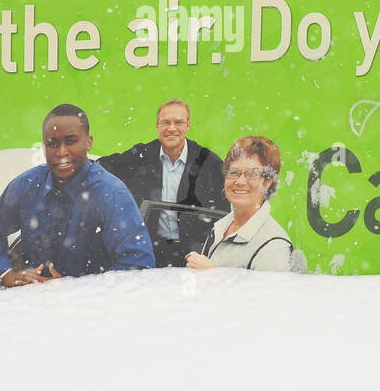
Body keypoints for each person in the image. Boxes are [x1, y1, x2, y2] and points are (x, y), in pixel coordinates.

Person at [0, 104, 154, 285]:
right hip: (34, 305)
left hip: (95, 307)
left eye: (70, 141)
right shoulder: (26, 186)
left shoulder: (112, 194)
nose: (62, 152)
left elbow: (138, 265)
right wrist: (8, 275)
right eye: (53, 144)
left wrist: (74, 288)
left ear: (88, 142)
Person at [98, 98, 227, 268]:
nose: (171, 128)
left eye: (178, 122)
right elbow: (101, 168)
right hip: (149, 251)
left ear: (188, 125)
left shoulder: (209, 163)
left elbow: (224, 213)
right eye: (165, 122)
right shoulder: (141, 156)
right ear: (157, 126)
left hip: (193, 255)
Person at [186, 135, 294, 273]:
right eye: (234, 172)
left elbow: (267, 294)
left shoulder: (274, 247)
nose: (240, 181)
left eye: (252, 174)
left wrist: (212, 273)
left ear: (267, 182)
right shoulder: (221, 227)